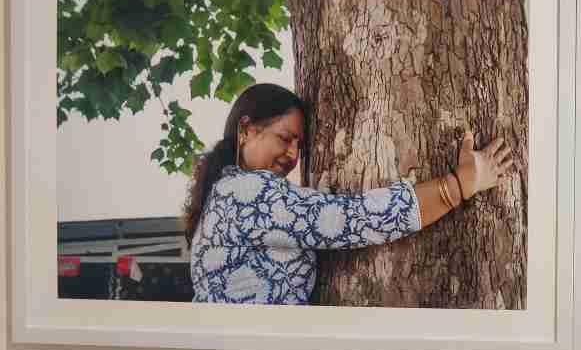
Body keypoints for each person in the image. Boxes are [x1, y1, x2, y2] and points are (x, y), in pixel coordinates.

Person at [183, 83, 513, 305]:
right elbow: (354, 219)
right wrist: (459, 184)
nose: (293, 154)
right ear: (246, 130)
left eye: (300, 145)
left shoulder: (225, 193)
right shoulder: (244, 192)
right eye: (285, 138)